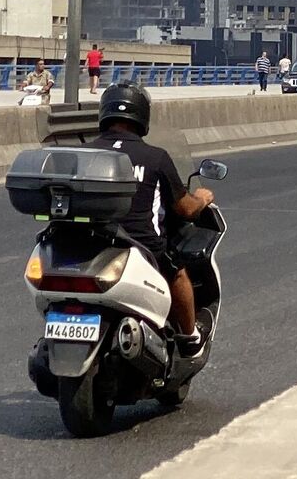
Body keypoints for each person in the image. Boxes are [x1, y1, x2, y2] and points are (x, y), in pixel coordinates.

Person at [86, 83, 215, 357]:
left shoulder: (85, 154)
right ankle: (190, 337)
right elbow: (185, 209)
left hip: (90, 245)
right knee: (178, 272)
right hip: (142, 248)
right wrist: (202, 198)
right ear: (142, 116)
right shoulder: (155, 157)